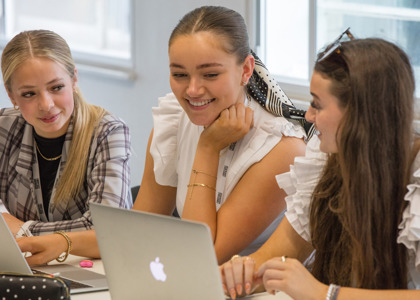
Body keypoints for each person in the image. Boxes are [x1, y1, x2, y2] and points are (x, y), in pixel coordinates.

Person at [17, 6, 309, 266]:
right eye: (180, 75)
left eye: (210, 75)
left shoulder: (282, 147)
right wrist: (63, 243)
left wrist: (207, 149)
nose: (192, 90)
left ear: (245, 70)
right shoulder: (176, 117)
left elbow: (202, 255)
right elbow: (141, 229)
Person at [220, 33, 420, 299]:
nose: (308, 115)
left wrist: (327, 294)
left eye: (316, 104)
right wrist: (242, 273)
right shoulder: (326, 157)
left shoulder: (415, 176)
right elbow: (280, 253)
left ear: (359, 115)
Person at [0, 30, 132, 241]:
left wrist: (22, 229)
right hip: (23, 267)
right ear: (11, 95)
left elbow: (108, 231)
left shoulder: (108, 131)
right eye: (29, 94)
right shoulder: (4, 128)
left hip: (87, 270)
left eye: (56, 87)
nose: (46, 105)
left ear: (74, 80)